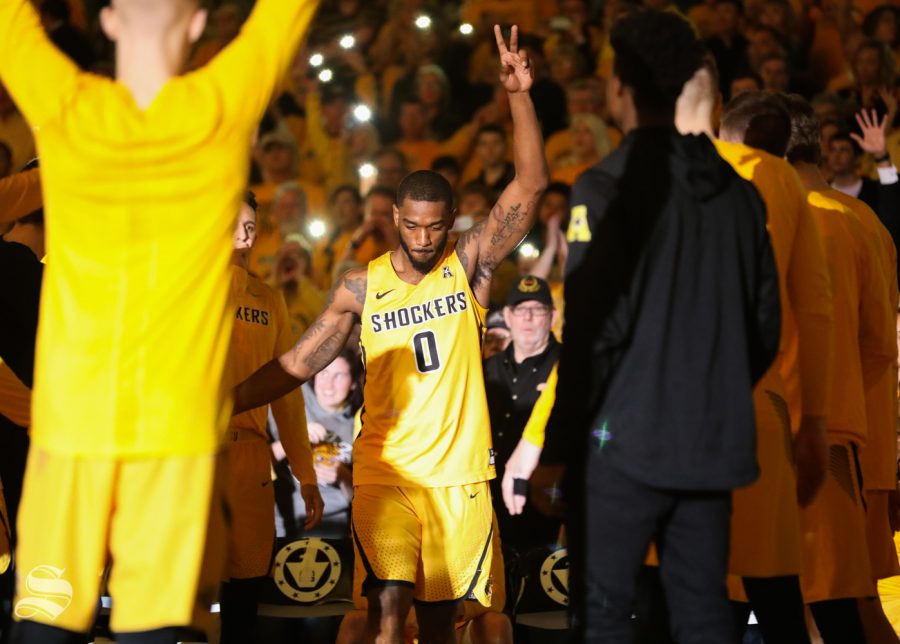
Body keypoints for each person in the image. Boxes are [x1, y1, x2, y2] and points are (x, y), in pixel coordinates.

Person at [0, 0, 319, 641]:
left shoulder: (67, 105)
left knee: (44, 630)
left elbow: (13, 23)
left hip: (69, 436)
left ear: (108, 20)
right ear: (199, 25)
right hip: (176, 444)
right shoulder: (220, 104)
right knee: (157, 635)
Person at [233, 24, 548, 643]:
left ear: (450, 222)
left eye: (435, 227)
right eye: (412, 225)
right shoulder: (360, 284)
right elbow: (301, 360)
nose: (424, 238)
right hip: (383, 471)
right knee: (386, 606)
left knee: (439, 622)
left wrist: (518, 95)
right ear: (395, 218)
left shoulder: (470, 265)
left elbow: (531, 186)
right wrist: (226, 401)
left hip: (458, 475)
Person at [532, 10, 781, 642]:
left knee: (607, 614)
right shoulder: (739, 193)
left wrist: (558, 450)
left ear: (620, 88)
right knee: (701, 615)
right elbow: (764, 329)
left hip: (622, 447)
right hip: (711, 445)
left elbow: (590, 331)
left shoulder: (605, 187)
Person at [679, 72, 834, 643]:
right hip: (768, 412)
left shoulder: (669, 175)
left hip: (677, 415)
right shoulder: (794, 190)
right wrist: (813, 420)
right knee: (778, 594)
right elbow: (816, 313)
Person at [781, 92, 896, 643]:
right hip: (859, 440)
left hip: (814, 442)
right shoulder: (864, 218)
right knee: (856, 607)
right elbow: (881, 343)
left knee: (829, 608)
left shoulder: (812, 223)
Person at [220, 191, 323, 643]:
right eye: (236, 223)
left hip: (249, 462)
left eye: (251, 224)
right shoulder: (182, 290)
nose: (246, 232)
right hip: (190, 457)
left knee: (244, 594)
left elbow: (287, 395)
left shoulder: (269, 301)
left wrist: (306, 473)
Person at [484, 276, 562, 557]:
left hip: (548, 509)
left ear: (552, 316)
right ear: (507, 315)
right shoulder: (487, 368)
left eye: (538, 309)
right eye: (520, 308)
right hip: (490, 509)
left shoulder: (568, 368)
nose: (528, 317)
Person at [272, 348, 362, 539]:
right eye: (324, 373)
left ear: (353, 383)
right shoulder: (289, 407)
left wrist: (342, 475)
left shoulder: (361, 423)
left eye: (339, 375)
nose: (329, 384)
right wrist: (293, 439)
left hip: (335, 524)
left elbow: (364, 501)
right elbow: (253, 464)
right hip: (284, 521)